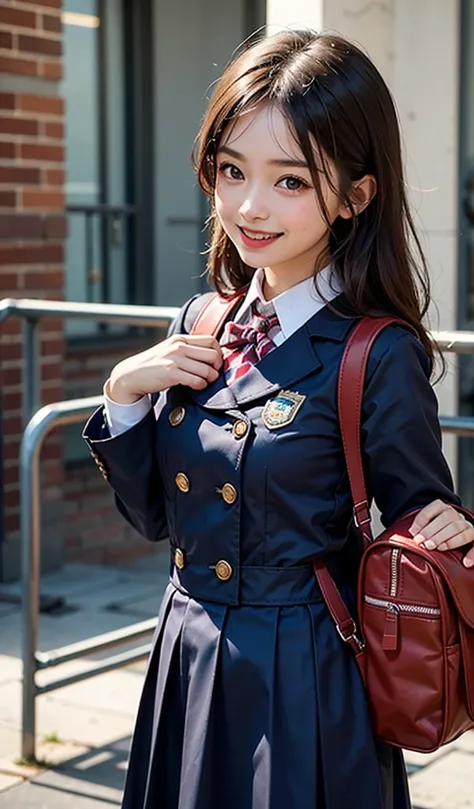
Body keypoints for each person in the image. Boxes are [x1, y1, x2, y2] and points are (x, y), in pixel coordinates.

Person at [83, 29, 474, 809]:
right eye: (232, 170)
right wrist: (124, 395)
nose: (249, 207)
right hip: (188, 659)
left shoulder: (375, 352)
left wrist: (454, 530)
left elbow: (418, 534)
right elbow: (157, 517)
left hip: (308, 680)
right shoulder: (200, 320)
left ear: (355, 196)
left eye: (290, 181)